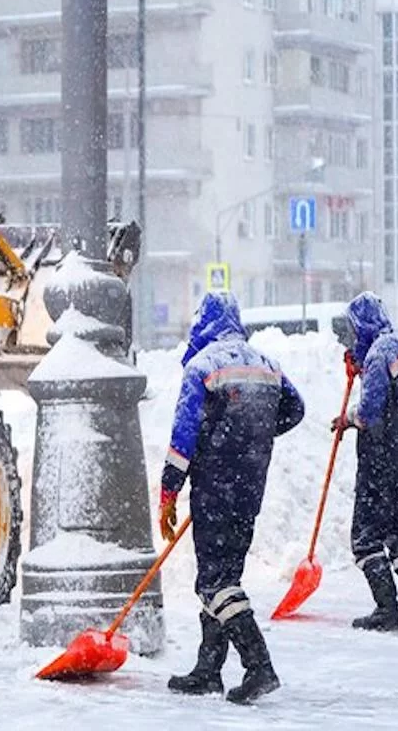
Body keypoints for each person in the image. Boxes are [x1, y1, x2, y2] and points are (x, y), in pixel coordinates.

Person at [160, 291, 305, 704]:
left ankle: (259, 666)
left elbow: (182, 440)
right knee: (227, 578)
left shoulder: (201, 367)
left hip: (214, 488)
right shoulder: (266, 363)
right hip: (249, 487)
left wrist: (169, 491)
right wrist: (252, 437)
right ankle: (209, 669)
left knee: (214, 582)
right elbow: (295, 409)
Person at [330, 291, 398, 632]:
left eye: (354, 331)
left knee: (365, 538)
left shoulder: (376, 355)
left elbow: (371, 412)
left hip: (379, 463)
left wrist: (347, 419)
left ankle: (386, 609)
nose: (352, 338)